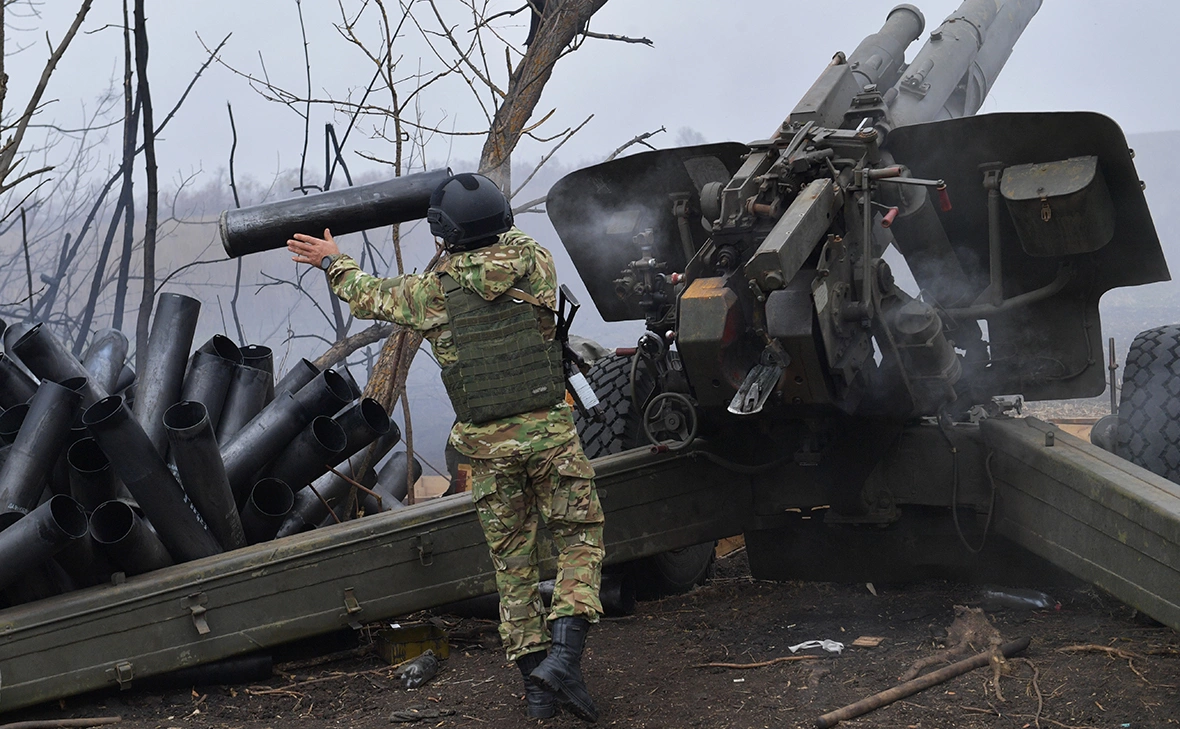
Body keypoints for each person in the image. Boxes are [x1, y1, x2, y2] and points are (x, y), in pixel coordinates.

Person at [287, 172, 604, 722]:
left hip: (486, 449)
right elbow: (510, 236)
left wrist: (333, 260)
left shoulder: (429, 294)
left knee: (513, 564)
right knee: (579, 541)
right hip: (551, 436)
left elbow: (365, 294)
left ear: (445, 235)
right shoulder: (536, 262)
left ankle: (538, 695)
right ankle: (564, 659)